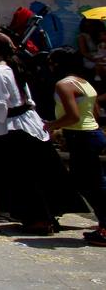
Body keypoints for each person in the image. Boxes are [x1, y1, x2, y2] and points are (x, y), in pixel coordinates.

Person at [0, 32, 72, 235]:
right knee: (38, 172)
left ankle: (38, 219)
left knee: (22, 176)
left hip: (13, 128)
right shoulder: (12, 67)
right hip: (29, 124)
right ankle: (47, 215)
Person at [45, 47, 106, 245]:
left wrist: (51, 126)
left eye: (52, 62)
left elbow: (73, 116)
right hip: (92, 133)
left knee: (92, 186)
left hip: (81, 137)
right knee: (92, 183)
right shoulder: (84, 83)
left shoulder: (64, 85)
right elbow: (94, 112)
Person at [78, 19, 106, 86]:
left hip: (102, 56)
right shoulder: (82, 36)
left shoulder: (100, 34)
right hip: (91, 59)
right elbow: (84, 53)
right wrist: (95, 59)